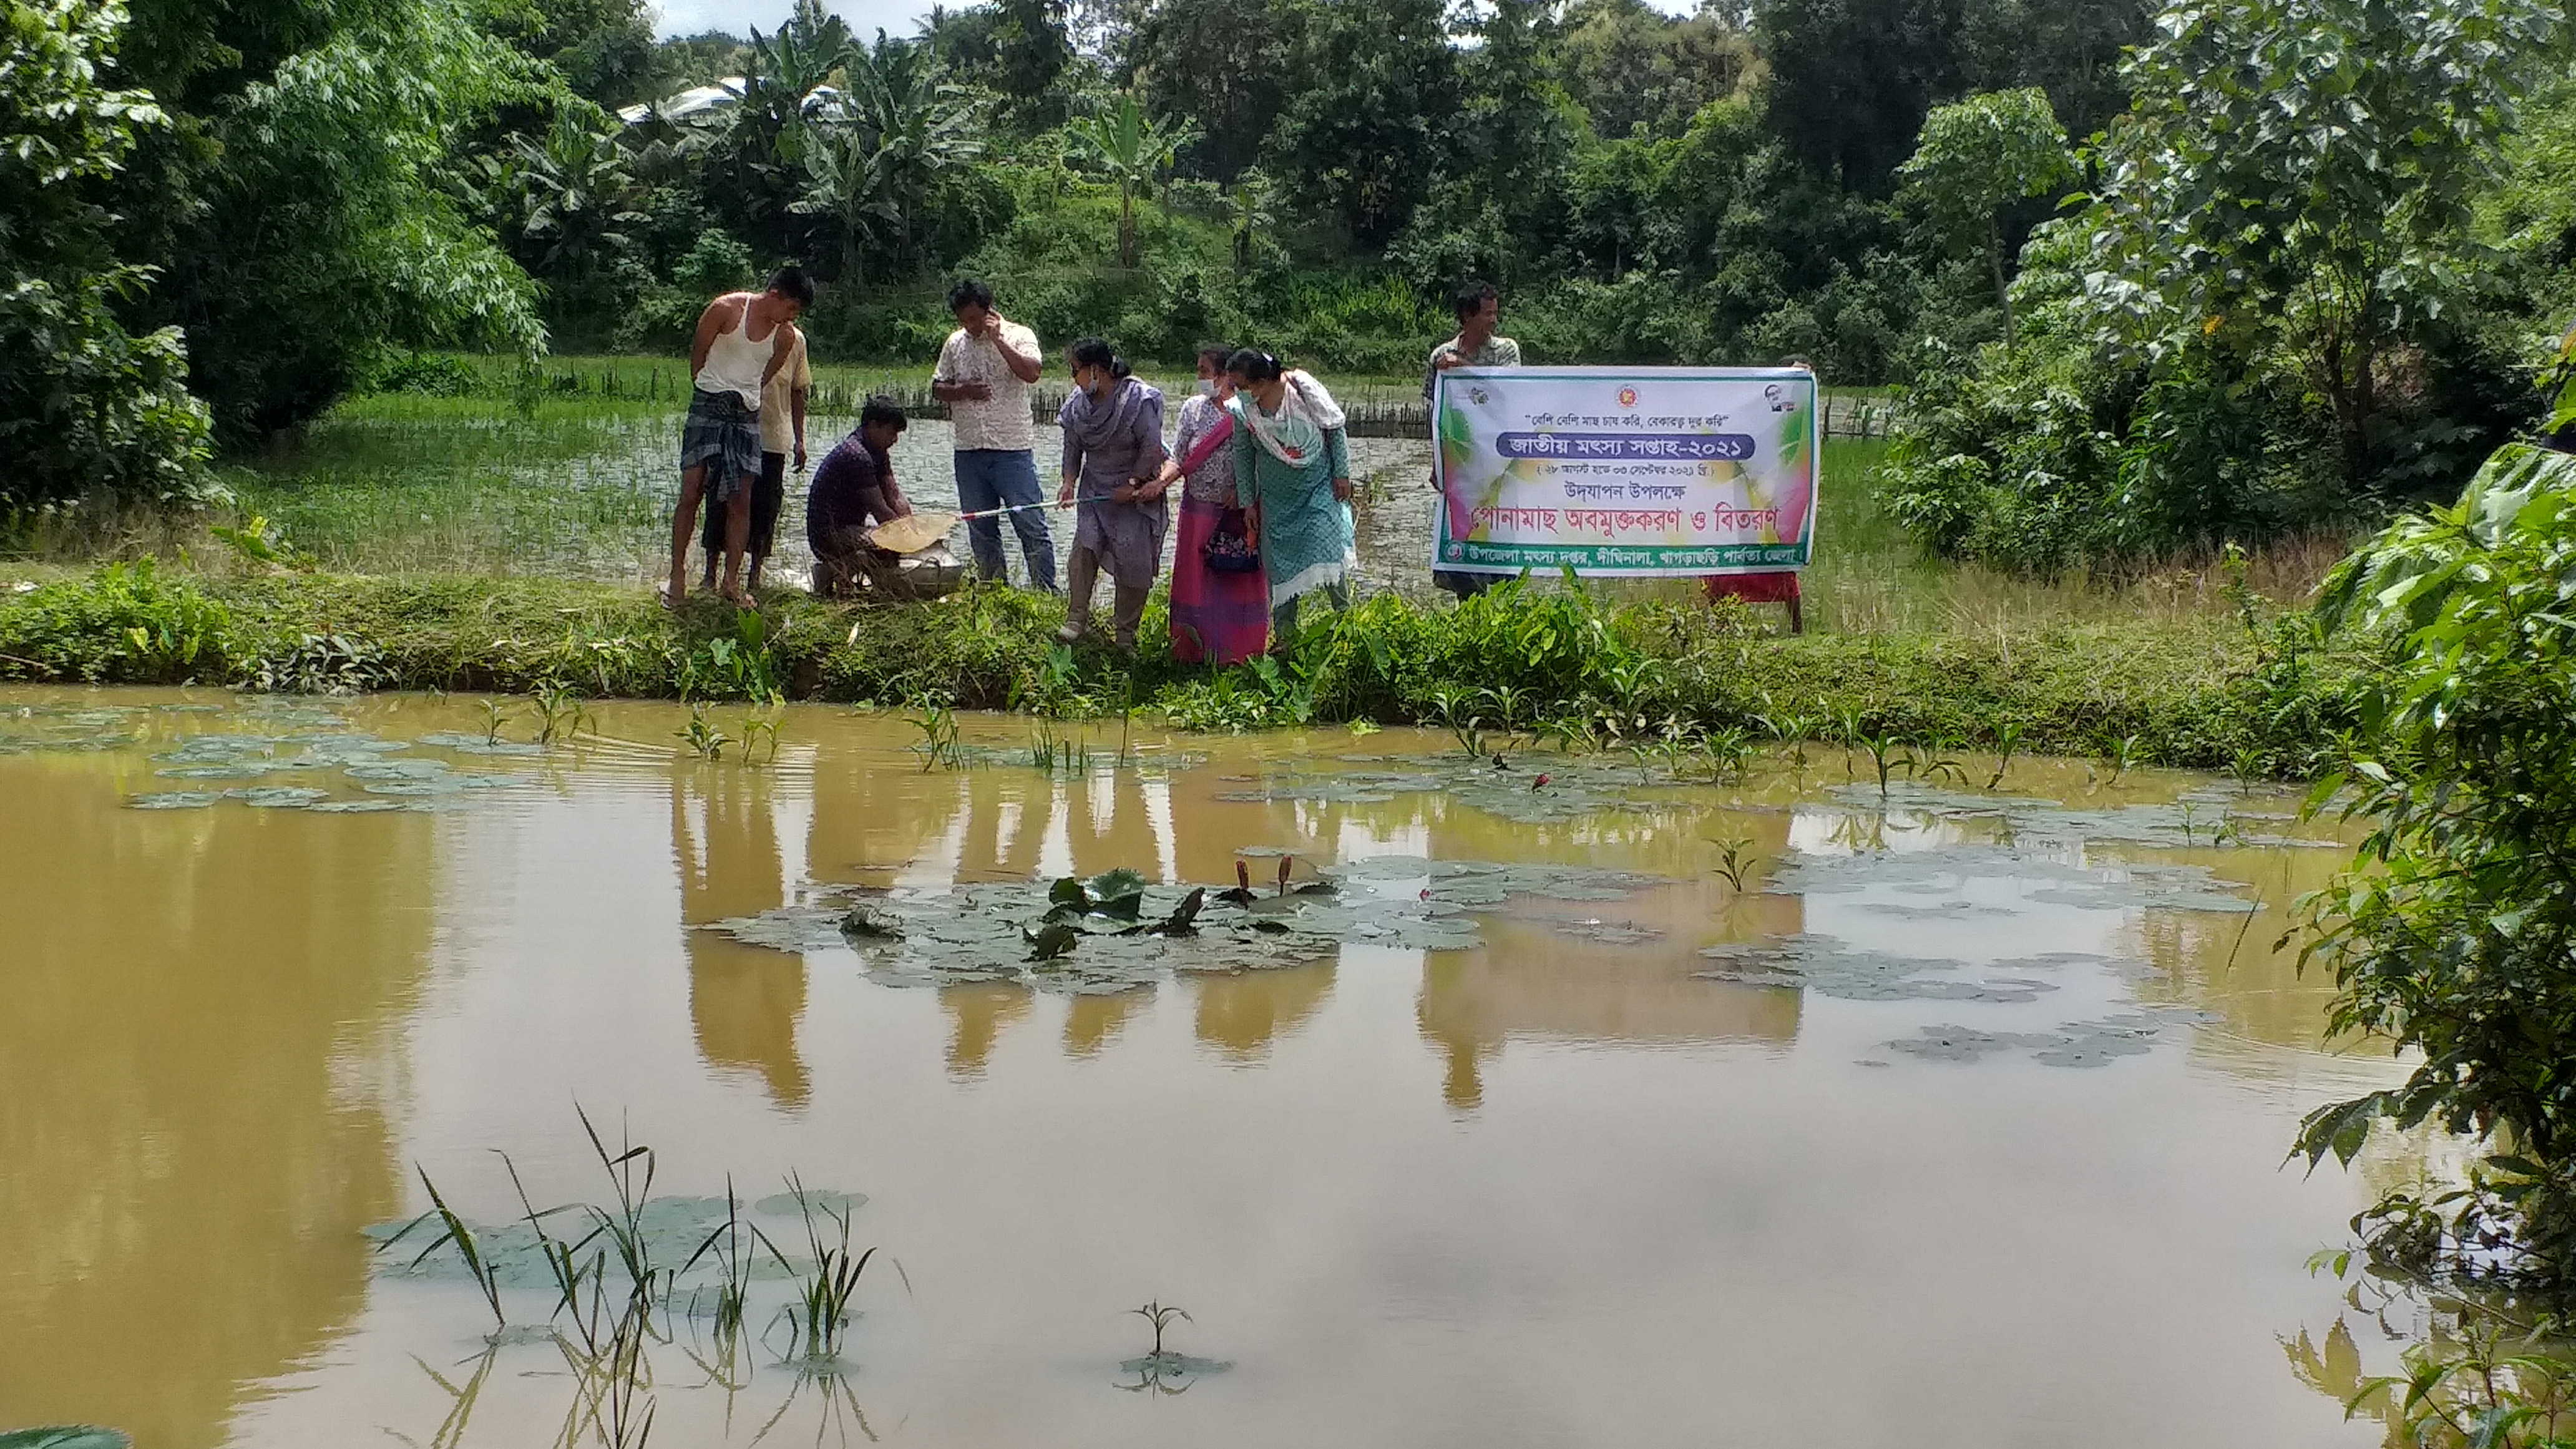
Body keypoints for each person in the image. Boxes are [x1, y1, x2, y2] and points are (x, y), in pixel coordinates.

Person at [671, 266, 812, 608]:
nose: (791, 317)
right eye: (791, 308)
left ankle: (731, 583)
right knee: (692, 491)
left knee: (740, 500)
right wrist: (714, 391)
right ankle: (677, 577)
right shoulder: (726, 310)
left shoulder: (786, 338)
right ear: (775, 295)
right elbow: (698, 355)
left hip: (746, 413)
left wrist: (742, 397)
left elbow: (763, 376)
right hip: (708, 404)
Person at [1148, 343, 1270, 665]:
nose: (1200, 376)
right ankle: (1191, 652)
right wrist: (1161, 482)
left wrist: (1247, 494)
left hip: (1235, 515)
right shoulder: (1193, 409)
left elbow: (1263, 459)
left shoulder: (1247, 412)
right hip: (1197, 510)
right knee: (1195, 582)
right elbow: (1180, 457)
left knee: (1235, 583)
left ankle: (1237, 654)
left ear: (1225, 376)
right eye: (1199, 370)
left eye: (1204, 371)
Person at [1226, 349, 1354, 651]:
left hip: (1318, 488)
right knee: (1279, 567)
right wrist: (1248, 503)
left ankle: (1346, 623)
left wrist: (1342, 474)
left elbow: (1334, 428)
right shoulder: (1244, 412)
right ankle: (1285, 638)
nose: (1237, 392)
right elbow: (1243, 455)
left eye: (1241, 386)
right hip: (1276, 500)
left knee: (1329, 552)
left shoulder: (1301, 390)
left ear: (1261, 382)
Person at [931, 280, 1055, 590]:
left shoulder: (1019, 335)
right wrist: (963, 392)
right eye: (963, 320)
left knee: (1029, 523)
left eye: (974, 318)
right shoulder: (955, 343)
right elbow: (937, 387)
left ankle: (1045, 591)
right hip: (969, 450)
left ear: (988, 311)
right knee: (980, 525)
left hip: (1012, 450)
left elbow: (1032, 373)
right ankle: (994, 590)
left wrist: (999, 341)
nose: (969, 326)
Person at [1053, 340, 1169, 651]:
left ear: (1096, 370)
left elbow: (1152, 447)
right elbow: (1072, 447)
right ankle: (1076, 618)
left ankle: (1125, 635)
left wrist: (1133, 484)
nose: (1073, 377)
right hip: (1095, 490)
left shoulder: (1138, 399)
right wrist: (1068, 482)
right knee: (1084, 550)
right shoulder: (1078, 404)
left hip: (1134, 493)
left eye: (1075, 370)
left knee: (1134, 564)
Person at [1425, 280, 1523, 602]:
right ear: (1467, 316)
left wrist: (1463, 369)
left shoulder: (1506, 350)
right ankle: (1469, 619)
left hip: (1500, 463)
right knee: (1463, 547)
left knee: (1502, 546)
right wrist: (1437, 462)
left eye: (1496, 313)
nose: (1494, 320)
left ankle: (1502, 623)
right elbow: (1436, 411)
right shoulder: (1441, 356)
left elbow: (1508, 393)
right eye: (1487, 314)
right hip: (1462, 464)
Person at [1703, 357, 1812, 633]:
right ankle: (1721, 624)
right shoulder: (1757, 404)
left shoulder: (1803, 413)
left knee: (1782, 561)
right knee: (1729, 556)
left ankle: (1797, 627)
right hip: (1742, 490)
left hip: (1782, 492)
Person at [701, 316, 811, 593]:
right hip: (734, 430)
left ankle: (753, 577)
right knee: (719, 500)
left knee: (765, 508)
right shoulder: (744, 333)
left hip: (773, 437)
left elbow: (798, 391)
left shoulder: (796, 341)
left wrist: (801, 441)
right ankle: (710, 575)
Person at [806, 397, 916, 597]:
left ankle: (860, 580)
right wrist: (904, 539)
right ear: (873, 426)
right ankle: (831, 572)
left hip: (851, 529)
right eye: (891, 433)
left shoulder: (879, 453)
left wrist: (914, 526)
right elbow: (880, 510)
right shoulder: (856, 455)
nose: (895, 440)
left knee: (892, 541)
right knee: (886, 545)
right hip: (829, 534)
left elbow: (894, 496)